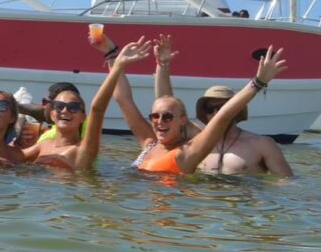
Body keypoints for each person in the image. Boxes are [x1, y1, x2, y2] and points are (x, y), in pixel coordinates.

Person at [115, 43, 288, 175]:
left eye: (221, 107)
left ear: (235, 109)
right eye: (209, 107)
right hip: (204, 207)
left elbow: (285, 183)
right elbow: (168, 106)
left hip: (241, 208)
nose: (214, 113)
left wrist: (259, 82)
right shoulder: (196, 136)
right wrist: (162, 66)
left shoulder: (261, 144)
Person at [22, 38, 152, 169]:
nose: (65, 111)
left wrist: (117, 65)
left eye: (73, 107)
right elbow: (11, 158)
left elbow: (98, 108)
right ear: (52, 114)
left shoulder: (83, 150)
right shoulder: (44, 144)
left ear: (83, 117)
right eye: (59, 106)